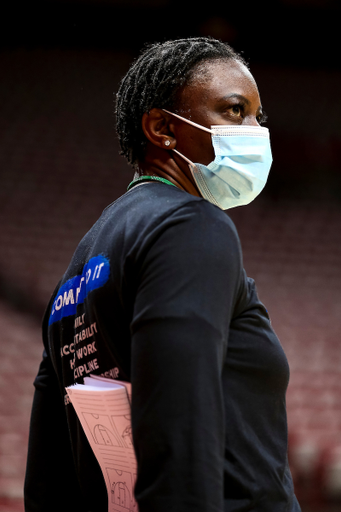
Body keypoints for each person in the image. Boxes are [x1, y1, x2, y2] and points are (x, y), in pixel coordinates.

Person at [24, 37, 301, 512]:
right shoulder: (190, 226)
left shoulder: (80, 266)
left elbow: (48, 476)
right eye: (235, 111)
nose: (255, 131)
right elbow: (180, 425)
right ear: (161, 128)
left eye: (258, 116)